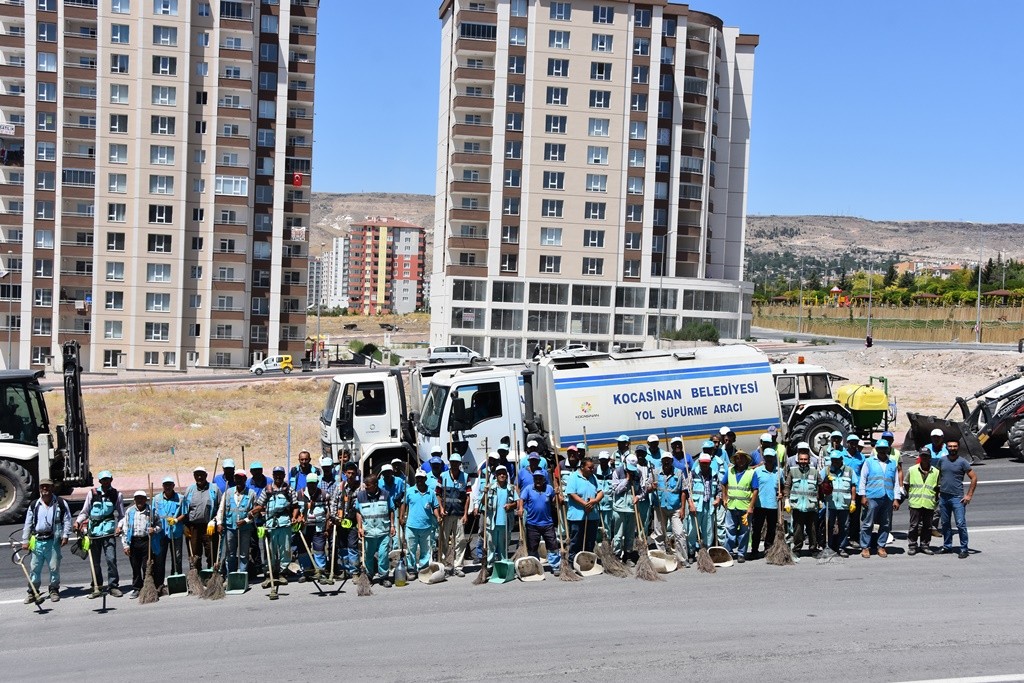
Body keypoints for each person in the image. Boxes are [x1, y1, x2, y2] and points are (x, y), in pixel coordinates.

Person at [74, 470, 125, 598]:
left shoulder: (116, 495)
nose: (106, 482)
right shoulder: (92, 493)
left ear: (111, 480)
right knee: (94, 562)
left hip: (108, 533)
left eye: (108, 479)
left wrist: (119, 527)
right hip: (94, 533)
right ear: (100, 481)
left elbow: (122, 515)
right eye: (103, 480)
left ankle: (113, 586)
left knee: (111, 560)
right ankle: (97, 586)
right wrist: (77, 522)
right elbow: (85, 512)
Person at [20, 479, 72, 603]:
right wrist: (25, 540)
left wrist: (65, 535)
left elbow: (67, 519)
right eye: (42, 487)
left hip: (53, 541)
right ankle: (33, 591)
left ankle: (54, 590)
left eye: (47, 487)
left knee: (54, 568)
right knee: (35, 568)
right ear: (39, 489)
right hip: (37, 541)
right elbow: (28, 523)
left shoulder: (60, 503)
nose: (45, 490)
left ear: (52, 488)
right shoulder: (34, 504)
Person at [252, 466, 298, 585]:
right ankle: (269, 574)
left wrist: (294, 517)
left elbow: (295, 506)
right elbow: (260, 505)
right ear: (273, 475)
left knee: (285, 550)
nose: (278, 476)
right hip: (270, 524)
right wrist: (252, 512)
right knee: (270, 550)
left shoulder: (289, 490)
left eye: (280, 474)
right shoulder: (266, 490)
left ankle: (282, 573)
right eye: (276, 474)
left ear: (283, 475)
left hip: (285, 524)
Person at [934, 439, 977, 558]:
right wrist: (937, 492)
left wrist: (969, 495)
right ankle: (947, 546)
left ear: (958, 447)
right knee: (945, 523)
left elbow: (974, 478)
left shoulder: (963, 462)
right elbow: (937, 477)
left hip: (957, 498)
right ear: (946, 447)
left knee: (960, 524)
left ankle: (964, 548)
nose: (952, 448)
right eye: (950, 446)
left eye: (954, 446)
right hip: (943, 497)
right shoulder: (942, 461)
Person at [858, 438, 899, 558]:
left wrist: (896, 498)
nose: (882, 451)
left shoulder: (892, 463)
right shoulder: (869, 462)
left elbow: (895, 482)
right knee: (868, 523)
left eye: (884, 449)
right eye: (880, 449)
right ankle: (865, 547)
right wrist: (863, 496)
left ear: (887, 449)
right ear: (876, 450)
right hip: (872, 496)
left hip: (888, 496)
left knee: (885, 523)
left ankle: (881, 546)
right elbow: (863, 479)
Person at [356, 473, 395, 587]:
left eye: (368, 485)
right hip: (368, 531)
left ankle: (384, 577)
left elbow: (391, 510)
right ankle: (369, 576)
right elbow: (358, 512)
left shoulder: (386, 494)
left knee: (383, 555)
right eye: (365, 485)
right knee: (368, 555)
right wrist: (360, 527)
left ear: (375, 485)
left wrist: (392, 525)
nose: (366, 487)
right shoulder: (361, 496)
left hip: (383, 530)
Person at [898, 448, 939, 555]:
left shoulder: (936, 472)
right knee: (914, 526)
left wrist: (935, 500)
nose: (924, 458)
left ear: (930, 458)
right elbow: (906, 484)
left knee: (927, 526)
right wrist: (910, 496)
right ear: (920, 457)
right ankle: (912, 545)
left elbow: (937, 488)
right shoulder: (912, 470)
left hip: (929, 503)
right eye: (922, 456)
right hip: (915, 503)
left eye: (926, 456)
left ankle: (925, 545)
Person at [120, 491, 159, 599]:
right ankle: (137, 588)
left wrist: (154, 529)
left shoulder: (151, 511)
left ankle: (148, 587)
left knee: (146, 565)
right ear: (134, 500)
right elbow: (125, 528)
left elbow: (159, 525)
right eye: (137, 498)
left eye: (142, 498)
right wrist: (126, 545)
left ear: (145, 500)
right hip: (133, 541)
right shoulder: (130, 511)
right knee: (135, 566)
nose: (140, 501)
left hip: (147, 541)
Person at [217, 470, 256, 577]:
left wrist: (245, 521)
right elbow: (221, 509)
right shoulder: (228, 492)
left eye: (241, 478)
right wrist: (219, 523)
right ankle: (231, 576)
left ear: (245, 479)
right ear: (234, 479)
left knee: (244, 554)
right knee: (230, 553)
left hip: (245, 529)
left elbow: (254, 513)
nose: (239, 480)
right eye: (237, 478)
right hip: (230, 528)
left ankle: (242, 576)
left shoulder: (251, 493)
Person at [402, 470, 440, 577]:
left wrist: (438, 516)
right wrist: (401, 517)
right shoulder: (409, 491)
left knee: (426, 550)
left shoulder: (431, 493)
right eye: (418, 478)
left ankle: (423, 569)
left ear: (425, 479)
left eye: (421, 478)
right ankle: (411, 569)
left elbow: (435, 507)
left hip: (426, 527)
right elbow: (403, 504)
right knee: (411, 549)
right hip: (411, 526)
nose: (419, 480)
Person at [182, 466, 220, 572]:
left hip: (209, 526)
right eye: (197, 475)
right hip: (193, 527)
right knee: (194, 554)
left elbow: (220, 508)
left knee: (211, 552)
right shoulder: (190, 490)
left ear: (206, 476)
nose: (199, 477)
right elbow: (184, 509)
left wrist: (215, 521)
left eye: (201, 475)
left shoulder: (214, 489)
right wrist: (184, 525)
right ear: (194, 476)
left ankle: (211, 576)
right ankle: (196, 577)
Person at [518, 470, 558, 571]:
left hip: (547, 523)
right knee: (532, 547)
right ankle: (535, 566)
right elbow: (521, 499)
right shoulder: (528, 488)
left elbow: (554, 501)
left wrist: (557, 496)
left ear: (544, 479)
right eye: (536, 478)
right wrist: (521, 508)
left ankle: (556, 566)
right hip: (532, 523)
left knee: (553, 545)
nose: (538, 480)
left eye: (540, 478)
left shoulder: (549, 488)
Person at [565, 456, 601, 565]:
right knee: (576, 541)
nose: (592, 470)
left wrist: (594, 501)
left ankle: (587, 562)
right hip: (577, 516)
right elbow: (572, 494)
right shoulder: (573, 477)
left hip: (592, 516)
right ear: (582, 467)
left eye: (593, 468)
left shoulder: (593, 477)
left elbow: (600, 492)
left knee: (590, 541)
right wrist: (585, 504)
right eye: (590, 468)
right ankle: (572, 562)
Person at [655, 452, 689, 567]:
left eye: (668, 460)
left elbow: (684, 491)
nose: (666, 462)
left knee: (679, 533)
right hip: (660, 507)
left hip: (675, 507)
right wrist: (651, 487)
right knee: (659, 533)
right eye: (664, 460)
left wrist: (683, 508)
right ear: (661, 461)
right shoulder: (655, 473)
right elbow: (648, 488)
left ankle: (683, 558)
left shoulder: (679, 473)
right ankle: (662, 557)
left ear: (671, 461)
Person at [820, 450, 857, 557]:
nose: (834, 462)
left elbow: (853, 486)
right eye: (833, 460)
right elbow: (819, 484)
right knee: (829, 526)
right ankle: (829, 546)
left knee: (844, 526)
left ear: (841, 460)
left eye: (836, 460)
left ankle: (841, 547)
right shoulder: (826, 470)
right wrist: (825, 482)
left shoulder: (849, 471)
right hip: (830, 504)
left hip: (844, 503)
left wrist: (853, 501)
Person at [722, 450, 757, 562]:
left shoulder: (751, 472)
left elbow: (755, 490)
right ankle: (729, 551)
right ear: (735, 460)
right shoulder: (730, 471)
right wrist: (724, 497)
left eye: (742, 458)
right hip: (732, 506)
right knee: (729, 529)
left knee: (744, 531)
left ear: (746, 460)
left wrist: (751, 506)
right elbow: (723, 483)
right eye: (738, 458)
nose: (740, 460)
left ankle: (741, 553)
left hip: (745, 507)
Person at [482, 465, 518, 573]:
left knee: (503, 546)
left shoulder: (511, 488)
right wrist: (484, 493)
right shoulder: (490, 487)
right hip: (492, 523)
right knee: (491, 545)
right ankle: (490, 566)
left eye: (503, 473)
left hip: (505, 522)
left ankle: (503, 564)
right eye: (499, 473)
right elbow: (483, 504)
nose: (502, 475)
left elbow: (516, 502)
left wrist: (510, 506)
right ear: (496, 475)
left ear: (506, 475)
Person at [438, 453, 469, 576]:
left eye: (457, 463)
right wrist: (440, 508)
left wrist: (466, 514)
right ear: (449, 463)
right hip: (446, 514)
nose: (455, 465)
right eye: (453, 462)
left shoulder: (465, 477)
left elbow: (467, 497)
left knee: (460, 540)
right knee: (444, 540)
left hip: (460, 514)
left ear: (460, 464)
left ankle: (458, 566)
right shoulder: (443, 476)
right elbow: (438, 494)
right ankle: (445, 565)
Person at [330, 462, 362, 579]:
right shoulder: (340, 486)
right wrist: (334, 517)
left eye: (353, 473)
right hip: (341, 521)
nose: (351, 475)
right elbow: (333, 502)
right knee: (342, 546)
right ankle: (344, 570)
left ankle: (354, 571)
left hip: (353, 521)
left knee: (352, 546)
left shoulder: (360, 487)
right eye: (348, 473)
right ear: (345, 474)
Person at [152, 476, 183, 595]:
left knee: (177, 557)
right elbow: (153, 515)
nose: (168, 487)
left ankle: (175, 582)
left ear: (173, 485)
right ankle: (159, 584)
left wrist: (176, 520)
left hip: (175, 532)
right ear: (163, 486)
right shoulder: (157, 499)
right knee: (159, 559)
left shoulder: (180, 498)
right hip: (161, 533)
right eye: (166, 485)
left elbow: (184, 513)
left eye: (170, 484)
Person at [785, 449, 819, 555]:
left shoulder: (815, 472)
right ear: (798, 460)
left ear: (809, 460)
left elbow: (821, 486)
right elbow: (787, 486)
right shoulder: (793, 471)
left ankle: (813, 549)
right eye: (801, 459)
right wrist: (786, 500)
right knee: (798, 530)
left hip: (811, 505)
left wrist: (828, 484)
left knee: (812, 529)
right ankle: (797, 549)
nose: (803, 461)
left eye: (805, 459)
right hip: (797, 505)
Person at [687, 453, 721, 560]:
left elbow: (719, 490)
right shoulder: (693, 474)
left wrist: (717, 499)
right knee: (692, 530)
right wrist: (691, 504)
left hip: (709, 505)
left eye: (707, 463)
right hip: (696, 505)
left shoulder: (714, 474)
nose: (705, 465)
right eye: (703, 463)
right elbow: (688, 491)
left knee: (708, 530)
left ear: (710, 463)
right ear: (699, 463)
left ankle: (706, 550)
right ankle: (691, 551)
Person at [611, 455, 644, 565]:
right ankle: (616, 555)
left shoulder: (638, 473)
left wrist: (638, 497)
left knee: (630, 534)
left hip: (631, 508)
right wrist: (627, 480)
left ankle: (628, 555)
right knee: (618, 534)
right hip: (619, 508)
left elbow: (642, 490)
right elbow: (616, 490)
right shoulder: (617, 472)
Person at [750, 448, 781, 559]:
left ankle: (768, 550)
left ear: (774, 458)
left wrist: (780, 494)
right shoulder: (757, 471)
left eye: (771, 457)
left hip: (772, 505)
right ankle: (754, 550)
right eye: (767, 457)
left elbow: (781, 486)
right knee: (757, 529)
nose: (769, 459)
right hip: (759, 505)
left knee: (771, 529)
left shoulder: (779, 472)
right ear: (764, 458)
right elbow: (753, 487)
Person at [246, 462, 269, 576]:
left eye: (259, 470)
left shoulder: (269, 481)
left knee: (267, 543)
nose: (257, 473)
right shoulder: (247, 483)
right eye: (254, 471)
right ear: (251, 472)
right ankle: (257, 565)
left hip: (266, 517)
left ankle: (268, 565)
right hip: (253, 519)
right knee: (253, 543)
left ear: (262, 470)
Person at [380, 463, 407, 557]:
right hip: (383, 511)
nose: (387, 475)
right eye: (385, 473)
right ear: (382, 474)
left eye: (389, 472)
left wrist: (402, 515)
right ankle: (386, 556)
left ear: (392, 472)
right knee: (385, 536)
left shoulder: (399, 481)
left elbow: (405, 496)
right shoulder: (379, 483)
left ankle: (396, 556)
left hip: (396, 510)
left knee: (397, 536)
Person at [595, 451, 615, 540]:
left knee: (607, 525)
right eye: (601, 460)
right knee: (595, 526)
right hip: (596, 504)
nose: (603, 462)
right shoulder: (594, 471)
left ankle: (607, 543)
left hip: (608, 504)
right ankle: (596, 543)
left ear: (608, 460)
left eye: (605, 460)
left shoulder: (613, 472)